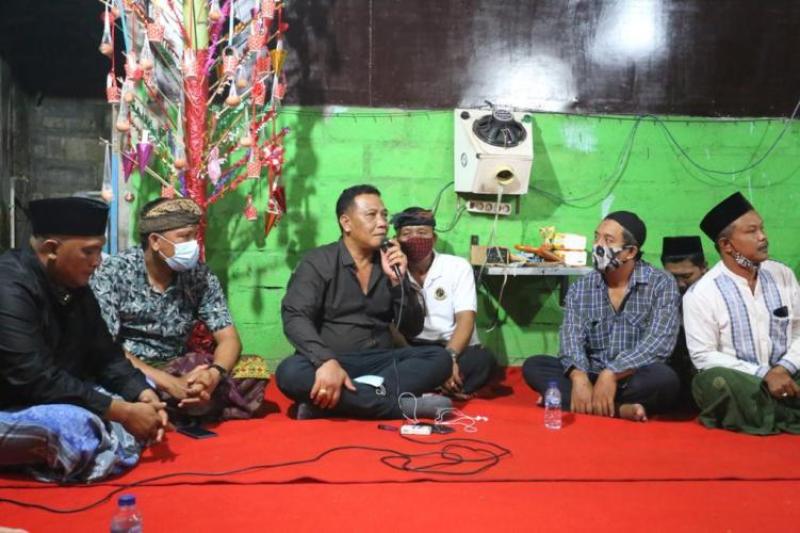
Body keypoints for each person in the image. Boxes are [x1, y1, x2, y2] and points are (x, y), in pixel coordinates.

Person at [0, 197, 168, 483]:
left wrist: (142, 394)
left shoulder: (74, 285)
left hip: (54, 395)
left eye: (99, 250)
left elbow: (106, 356)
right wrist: (124, 413)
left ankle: (102, 445)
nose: (97, 262)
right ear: (51, 249)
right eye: (89, 251)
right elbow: (33, 378)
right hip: (13, 402)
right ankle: (105, 442)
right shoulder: (8, 287)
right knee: (73, 426)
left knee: (144, 389)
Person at [276, 185, 452, 419]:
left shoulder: (390, 261)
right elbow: (295, 316)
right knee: (289, 372)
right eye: (372, 215)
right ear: (346, 223)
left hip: (382, 363)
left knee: (440, 358)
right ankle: (398, 406)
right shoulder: (318, 262)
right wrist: (326, 361)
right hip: (333, 360)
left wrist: (398, 282)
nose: (383, 223)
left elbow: (412, 328)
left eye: (384, 216)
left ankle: (334, 403)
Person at [91, 198, 266, 424]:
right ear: (155, 241)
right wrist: (168, 383)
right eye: (184, 237)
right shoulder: (113, 272)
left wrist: (213, 375)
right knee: (109, 386)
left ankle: (184, 400)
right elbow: (105, 348)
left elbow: (229, 339)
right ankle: (176, 404)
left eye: (194, 236)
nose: (193, 245)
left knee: (254, 369)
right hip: (130, 369)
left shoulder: (199, 275)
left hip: (180, 367)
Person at [523, 211, 681, 421]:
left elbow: (659, 344)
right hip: (590, 375)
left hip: (630, 377)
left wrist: (612, 373)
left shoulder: (661, 284)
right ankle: (618, 409)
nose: (598, 246)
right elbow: (570, 338)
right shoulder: (582, 287)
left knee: (665, 379)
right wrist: (579, 376)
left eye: (608, 240)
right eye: (596, 237)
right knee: (534, 365)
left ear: (630, 251)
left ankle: (574, 402)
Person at [684, 192, 800, 434]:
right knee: (715, 383)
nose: (763, 237)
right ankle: (787, 414)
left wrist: (782, 369)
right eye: (752, 231)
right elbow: (703, 355)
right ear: (727, 245)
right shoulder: (702, 293)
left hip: (789, 374)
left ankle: (765, 415)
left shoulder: (783, 275)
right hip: (744, 383)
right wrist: (764, 374)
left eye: (762, 229)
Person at [392, 207, 496, 399]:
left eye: (422, 232)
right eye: (406, 234)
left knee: (482, 361)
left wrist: (449, 359)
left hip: (453, 348)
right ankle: (443, 387)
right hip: (413, 349)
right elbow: (389, 324)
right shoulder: (391, 270)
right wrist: (411, 355)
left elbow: (466, 319)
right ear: (396, 240)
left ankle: (426, 387)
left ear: (434, 238)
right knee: (386, 360)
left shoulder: (457, 267)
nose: (415, 239)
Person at [660, 236, 708, 411]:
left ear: (704, 268)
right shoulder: (658, 294)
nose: (680, 284)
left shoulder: (718, 295)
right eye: (673, 276)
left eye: (687, 276)